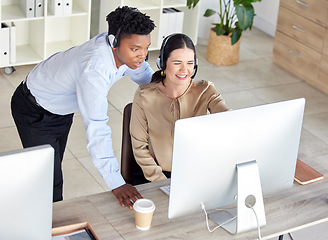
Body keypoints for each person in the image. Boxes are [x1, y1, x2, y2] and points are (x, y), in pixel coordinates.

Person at [10, 6, 155, 209]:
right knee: (49, 181)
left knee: (52, 165)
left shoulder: (120, 49)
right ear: (114, 42)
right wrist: (117, 183)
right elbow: (97, 128)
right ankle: (49, 228)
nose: (142, 55)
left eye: (146, 47)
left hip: (59, 107)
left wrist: (164, 88)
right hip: (34, 109)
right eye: (135, 49)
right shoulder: (94, 71)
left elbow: (142, 73)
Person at [130, 33, 230, 182]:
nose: (184, 70)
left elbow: (229, 118)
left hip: (195, 174)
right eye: (177, 63)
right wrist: (162, 182)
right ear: (163, 64)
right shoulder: (144, 95)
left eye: (190, 63)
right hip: (155, 177)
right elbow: (139, 146)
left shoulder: (206, 90)